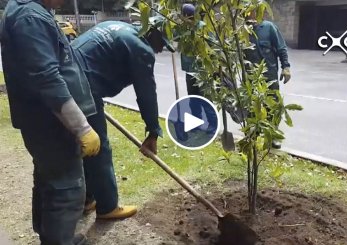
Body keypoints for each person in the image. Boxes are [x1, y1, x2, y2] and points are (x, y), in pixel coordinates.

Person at [1, 0, 100, 244]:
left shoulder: (29, 11)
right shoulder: (30, 18)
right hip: (51, 123)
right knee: (66, 188)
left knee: (48, 181)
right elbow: (46, 78)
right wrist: (82, 127)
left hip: (43, 120)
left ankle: (53, 238)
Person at [71, 17, 174, 219]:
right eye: (161, 44)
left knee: (80, 142)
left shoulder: (118, 26)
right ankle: (107, 206)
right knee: (98, 146)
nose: (160, 50)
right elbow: (146, 93)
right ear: (152, 34)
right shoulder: (140, 49)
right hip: (83, 86)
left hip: (67, 75)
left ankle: (86, 198)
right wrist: (153, 131)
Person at [245, 11, 291, 149]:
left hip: (269, 75)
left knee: (273, 106)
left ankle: (273, 136)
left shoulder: (269, 27)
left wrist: (286, 67)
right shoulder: (242, 31)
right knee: (252, 106)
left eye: (251, 10)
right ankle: (253, 134)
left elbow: (281, 48)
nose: (247, 13)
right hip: (250, 76)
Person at [180, 3, 217, 134]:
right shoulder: (183, 30)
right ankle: (196, 122)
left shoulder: (202, 28)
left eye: (187, 16)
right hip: (189, 69)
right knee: (193, 99)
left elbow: (213, 46)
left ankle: (213, 124)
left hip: (203, 71)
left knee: (206, 99)